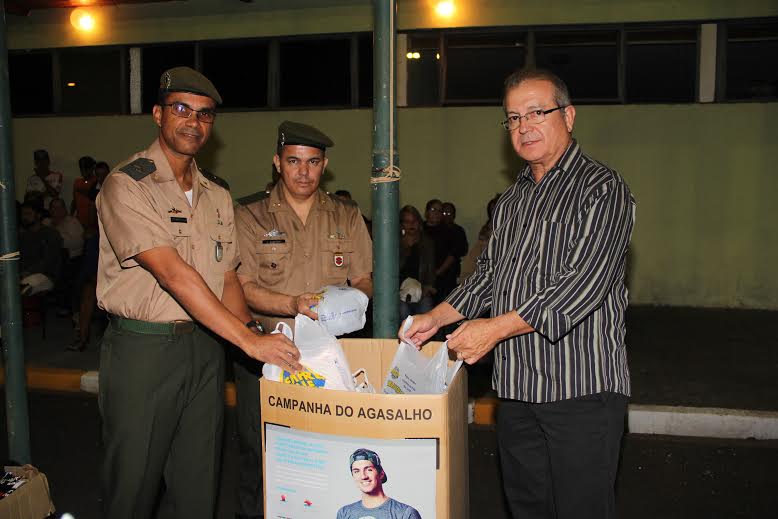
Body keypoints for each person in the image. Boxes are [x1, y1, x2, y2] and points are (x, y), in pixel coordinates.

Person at [401, 68, 635, 519]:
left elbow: (582, 283)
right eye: (512, 118)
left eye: (536, 113)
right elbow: (488, 276)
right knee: (527, 507)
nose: (524, 126)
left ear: (567, 115)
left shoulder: (602, 189)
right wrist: (439, 316)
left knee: (580, 509)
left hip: (580, 389)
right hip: (517, 389)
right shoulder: (510, 202)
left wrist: (492, 330)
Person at [95, 66, 302, 519]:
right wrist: (249, 341)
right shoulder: (127, 184)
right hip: (144, 351)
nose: (193, 122)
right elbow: (173, 274)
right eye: (181, 110)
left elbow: (227, 277)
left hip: (207, 349)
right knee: (132, 487)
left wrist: (250, 335)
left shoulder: (216, 195)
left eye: (205, 115)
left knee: (198, 486)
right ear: (157, 114)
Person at [234, 120, 373, 519]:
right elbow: (241, 287)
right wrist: (293, 303)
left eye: (313, 162)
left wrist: (349, 302)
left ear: (324, 165)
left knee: (326, 450)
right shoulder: (249, 214)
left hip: (328, 357)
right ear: (277, 162)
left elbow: (364, 278)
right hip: (265, 351)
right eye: (293, 161)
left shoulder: (346, 214)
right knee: (259, 452)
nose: (303, 172)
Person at [337, 448, 421, 519]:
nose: (363, 476)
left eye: (369, 469)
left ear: (381, 474)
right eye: (356, 471)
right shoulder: (344, 513)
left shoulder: (405, 513)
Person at [48, 197, 84, 317]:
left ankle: (64, 304)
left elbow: (78, 242)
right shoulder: (46, 223)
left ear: (64, 209)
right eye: (54, 207)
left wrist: (57, 236)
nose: (57, 210)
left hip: (72, 259)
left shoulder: (72, 222)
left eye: (59, 207)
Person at [398, 205, 435, 322]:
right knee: (403, 310)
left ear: (419, 223)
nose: (411, 225)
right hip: (399, 291)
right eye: (407, 221)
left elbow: (430, 270)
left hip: (422, 289)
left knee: (426, 309)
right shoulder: (395, 243)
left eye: (414, 221)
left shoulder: (427, 243)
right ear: (401, 224)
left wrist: (427, 289)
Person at [19, 200, 63, 295]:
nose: (24, 217)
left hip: (45, 276)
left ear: (38, 215)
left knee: (25, 286)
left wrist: (28, 272)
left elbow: (48, 261)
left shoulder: (50, 234)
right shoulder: (22, 236)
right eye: (23, 214)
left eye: (28, 214)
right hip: (23, 274)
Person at [422, 199, 463, 303]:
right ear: (426, 212)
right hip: (422, 275)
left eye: (439, 211)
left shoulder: (450, 231)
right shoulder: (419, 229)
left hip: (443, 275)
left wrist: (438, 272)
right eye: (433, 209)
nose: (436, 213)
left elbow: (454, 254)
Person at [72, 155, 97, 229]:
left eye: (86, 168)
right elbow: (74, 201)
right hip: (79, 221)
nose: (84, 170)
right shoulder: (77, 182)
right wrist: (71, 215)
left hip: (93, 221)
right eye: (82, 168)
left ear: (92, 168)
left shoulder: (97, 182)